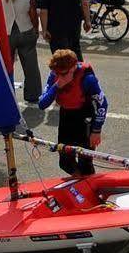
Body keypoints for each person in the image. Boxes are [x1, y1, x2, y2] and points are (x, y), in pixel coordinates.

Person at [35, 48, 107, 177]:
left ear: (74, 67)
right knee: (65, 162)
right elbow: (42, 104)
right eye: (57, 73)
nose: (60, 77)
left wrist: (96, 131)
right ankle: (79, 180)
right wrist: (57, 86)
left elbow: (102, 104)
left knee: (85, 163)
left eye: (63, 74)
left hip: (85, 119)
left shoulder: (88, 79)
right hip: (66, 117)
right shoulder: (55, 76)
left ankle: (86, 185)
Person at [0, 0, 42, 103]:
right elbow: (33, 17)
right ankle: (32, 95)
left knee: (6, 66)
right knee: (31, 67)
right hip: (26, 32)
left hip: (7, 34)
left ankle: (6, 93)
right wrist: (36, 31)